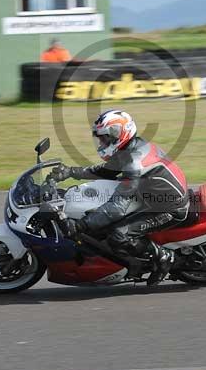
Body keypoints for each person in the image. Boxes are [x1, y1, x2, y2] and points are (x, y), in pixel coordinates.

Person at [51, 109, 188, 285]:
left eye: (106, 137)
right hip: (149, 195)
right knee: (100, 215)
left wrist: (80, 225)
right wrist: (70, 172)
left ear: (120, 133)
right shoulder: (129, 149)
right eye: (101, 137)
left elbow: (117, 208)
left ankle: (164, 258)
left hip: (169, 208)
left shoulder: (133, 162)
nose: (102, 141)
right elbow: (105, 171)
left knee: (118, 235)